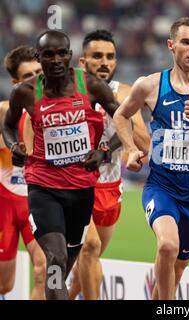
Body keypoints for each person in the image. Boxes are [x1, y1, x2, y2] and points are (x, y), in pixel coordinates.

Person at [113, 17, 189, 300]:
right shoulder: (150, 85)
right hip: (162, 188)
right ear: (171, 45)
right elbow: (121, 115)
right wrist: (130, 149)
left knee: (177, 269)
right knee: (167, 246)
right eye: (186, 42)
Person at [2, 30, 120, 300]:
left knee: (62, 267)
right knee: (54, 259)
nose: (55, 60)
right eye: (48, 54)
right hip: (43, 187)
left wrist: (103, 151)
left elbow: (125, 120)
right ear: (39, 57)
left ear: (70, 55)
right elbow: (8, 124)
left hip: (81, 188)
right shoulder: (26, 91)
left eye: (61, 53)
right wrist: (13, 146)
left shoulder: (90, 85)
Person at [68, 29, 150, 300]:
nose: (105, 62)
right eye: (97, 56)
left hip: (109, 186)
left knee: (89, 262)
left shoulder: (125, 94)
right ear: (83, 62)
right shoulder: (68, 91)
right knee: (89, 248)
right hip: (72, 185)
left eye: (110, 57)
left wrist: (117, 111)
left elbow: (144, 143)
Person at [0, 46, 46, 299]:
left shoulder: (57, 110)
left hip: (37, 203)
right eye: (28, 76)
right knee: (4, 285)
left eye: (39, 72)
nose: (37, 80)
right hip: (4, 203)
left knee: (44, 269)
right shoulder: (5, 111)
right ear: (15, 82)